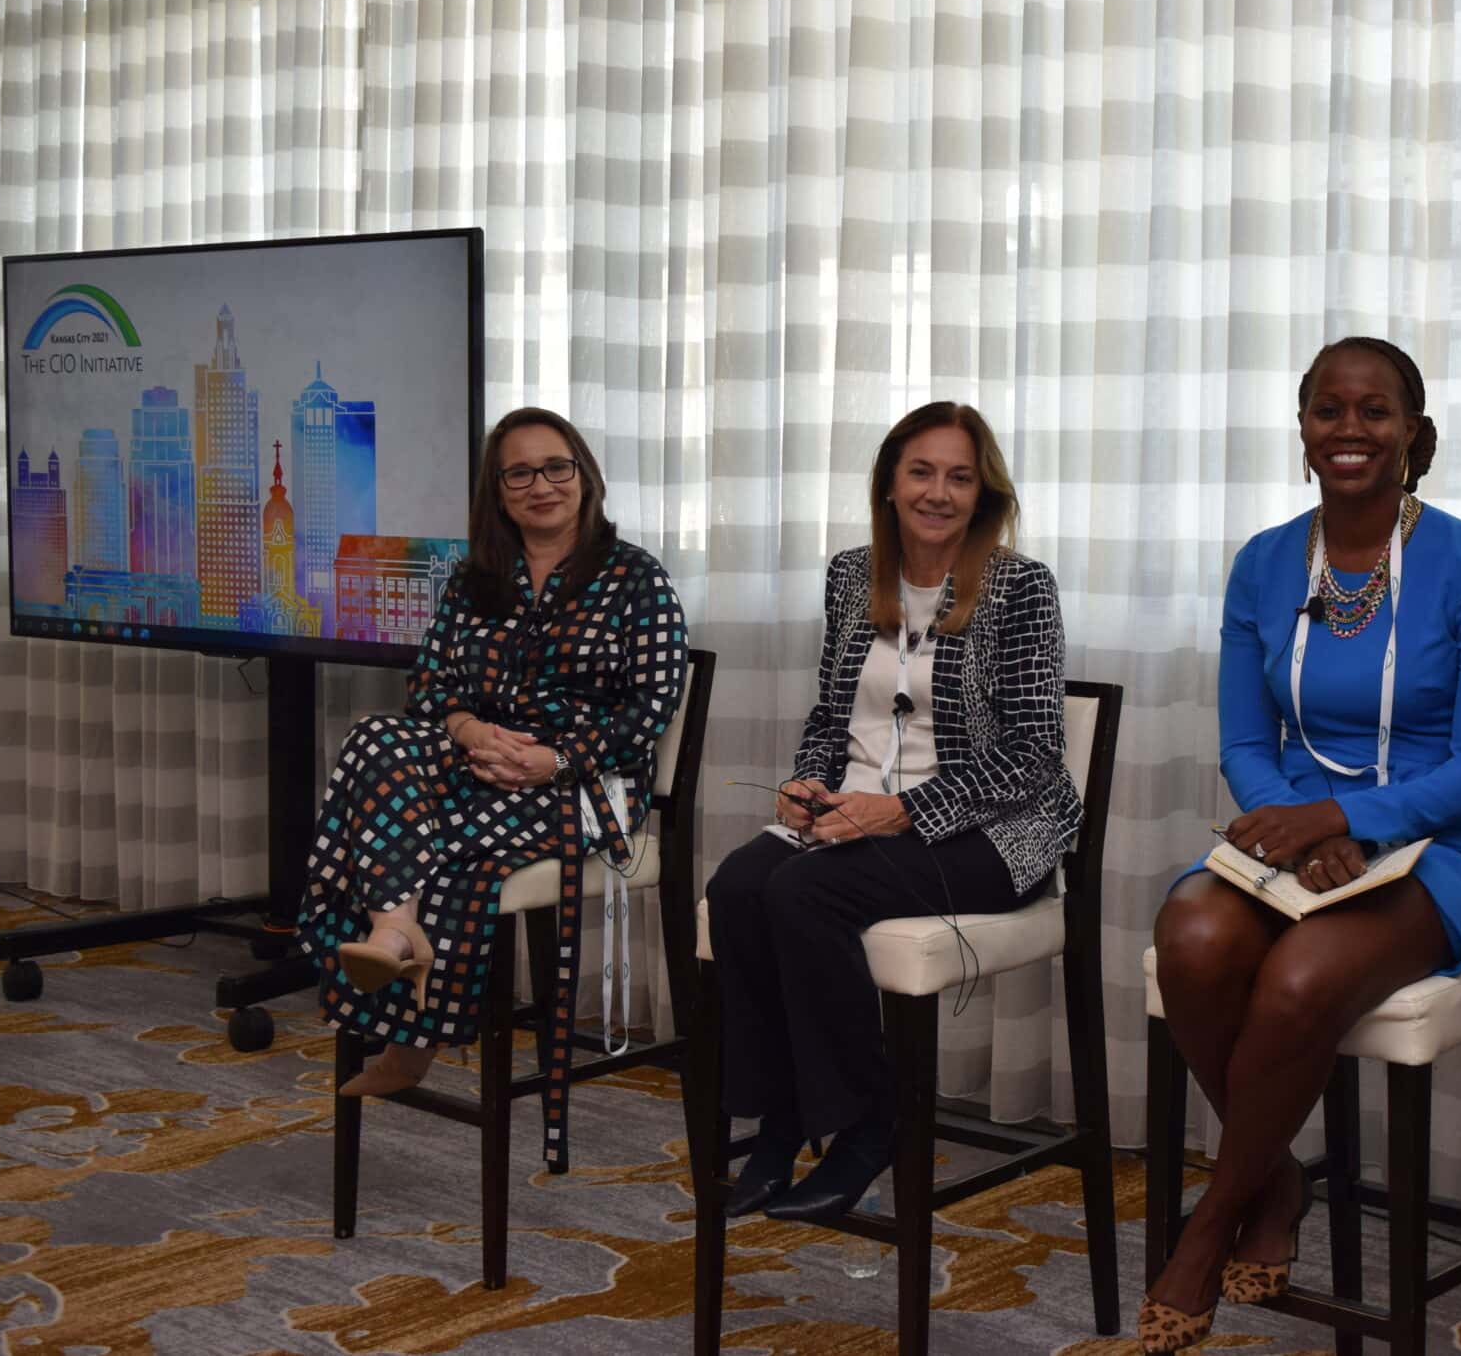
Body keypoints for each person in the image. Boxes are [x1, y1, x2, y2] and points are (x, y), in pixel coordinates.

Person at [1140, 337, 1461, 1353]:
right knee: (1189, 933)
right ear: (1303, 431)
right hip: (1290, 836)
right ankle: (1273, 1173)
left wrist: (1346, 821)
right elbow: (1242, 740)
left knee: (1303, 974)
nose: (1348, 430)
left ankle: (1216, 1217)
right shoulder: (1263, 563)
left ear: (1416, 434)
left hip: (1435, 851)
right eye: (1327, 410)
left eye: (1374, 411)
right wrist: (1294, 823)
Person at [703, 401, 1080, 1223]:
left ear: (983, 493)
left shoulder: (1018, 586)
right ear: (889, 483)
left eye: (959, 475)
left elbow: (1033, 752)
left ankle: (873, 1122)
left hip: (989, 834)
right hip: (854, 812)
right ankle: (783, 1119)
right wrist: (806, 783)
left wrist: (902, 811)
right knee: (736, 886)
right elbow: (829, 716)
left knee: (803, 894)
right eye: (921, 471)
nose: (938, 492)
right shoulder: (850, 574)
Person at [297, 407, 689, 1168]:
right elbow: (433, 683)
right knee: (374, 739)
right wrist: (470, 732)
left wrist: (555, 758)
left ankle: (407, 1014)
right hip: (475, 766)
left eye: (556, 467)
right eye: (520, 472)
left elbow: (651, 707)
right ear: (498, 491)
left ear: (583, 475)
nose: (541, 484)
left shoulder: (636, 578)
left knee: (399, 833)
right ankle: (396, 928)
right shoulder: (475, 579)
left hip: (586, 785)